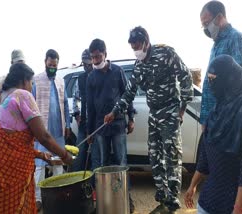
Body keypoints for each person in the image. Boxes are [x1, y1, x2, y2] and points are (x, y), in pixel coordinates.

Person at [104, 26, 193, 213]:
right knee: (154, 156)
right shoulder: (139, 65)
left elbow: (185, 75)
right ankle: (161, 195)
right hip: (154, 114)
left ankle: (172, 200)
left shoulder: (166, 53)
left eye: (137, 45)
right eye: (132, 47)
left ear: (146, 41)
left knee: (171, 156)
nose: (135, 50)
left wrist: (182, 109)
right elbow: (129, 93)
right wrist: (114, 112)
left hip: (170, 112)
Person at [0, 63, 72, 213]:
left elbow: (12, 144)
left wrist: (40, 155)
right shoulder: (22, 95)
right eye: (31, 82)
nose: (31, 86)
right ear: (24, 80)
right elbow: (44, 137)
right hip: (7, 179)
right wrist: (65, 155)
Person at [184, 54, 242, 214]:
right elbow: (205, 158)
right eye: (209, 79)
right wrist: (192, 186)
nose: (212, 85)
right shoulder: (216, 112)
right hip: (209, 200)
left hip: (237, 205)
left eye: (215, 79)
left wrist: (239, 209)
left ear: (230, 80)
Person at [86, 39, 135, 212]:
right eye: (93, 58)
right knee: (103, 164)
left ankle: (126, 199)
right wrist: (90, 131)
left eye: (98, 57)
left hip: (118, 124)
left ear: (105, 54)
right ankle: (106, 201)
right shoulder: (91, 77)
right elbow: (90, 108)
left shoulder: (118, 71)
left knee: (121, 161)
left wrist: (131, 118)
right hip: (100, 127)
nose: (95, 61)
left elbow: (127, 95)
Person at [199, 0, 242, 128]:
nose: (205, 28)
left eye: (207, 23)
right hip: (212, 117)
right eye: (203, 25)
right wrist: (205, 119)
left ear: (219, 17)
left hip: (224, 118)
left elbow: (238, 82)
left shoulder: (236, 38)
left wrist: (224, 119)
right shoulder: (217, 44)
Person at [32, 49, 71, 211]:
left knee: (58, 163)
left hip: (58, 130)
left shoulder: (61, 81)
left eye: (55, 66)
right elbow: (31, 105)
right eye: (50, 65)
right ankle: (38, 198)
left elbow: (66, 105)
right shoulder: (36, 80)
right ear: (45, 63)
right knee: (40, 165)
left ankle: (59, 195)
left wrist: (68, 125)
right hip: (42, 132)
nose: (52, 68)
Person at [71, 49, 93, 171]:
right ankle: (77, 185)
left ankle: (93, 185)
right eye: (84, 64)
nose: (86, 67)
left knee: (96, 157)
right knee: (79, 155)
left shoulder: (99, 75)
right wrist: (77, 116)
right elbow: (75, 99)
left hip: (96, 124)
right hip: (83, 124)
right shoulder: (80, 78)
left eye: (88, 64)